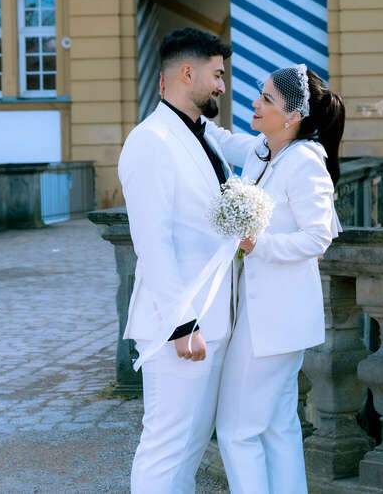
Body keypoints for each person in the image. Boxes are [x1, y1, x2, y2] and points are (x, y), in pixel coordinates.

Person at [203, 64, 345, 494]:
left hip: (277, 318)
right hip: (260, 311)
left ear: (292, 116)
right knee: (278, 426)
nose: (254, 102)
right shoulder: (264, 151)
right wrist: (183, 109)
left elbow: (319, 238)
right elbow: (222, 139)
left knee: (235, 429)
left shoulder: (304, 163)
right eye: (260, 94)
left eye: (267, 99)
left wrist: (255, 244)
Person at [117, 27, 235, 493]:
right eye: (217, 74)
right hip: (178, 327)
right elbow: (154, 242)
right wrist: (182, 324)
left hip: (211, 317)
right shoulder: (151, 141)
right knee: (166, 445)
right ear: (188, 73)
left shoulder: (200, 134)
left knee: (188, 448)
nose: (222, 86)